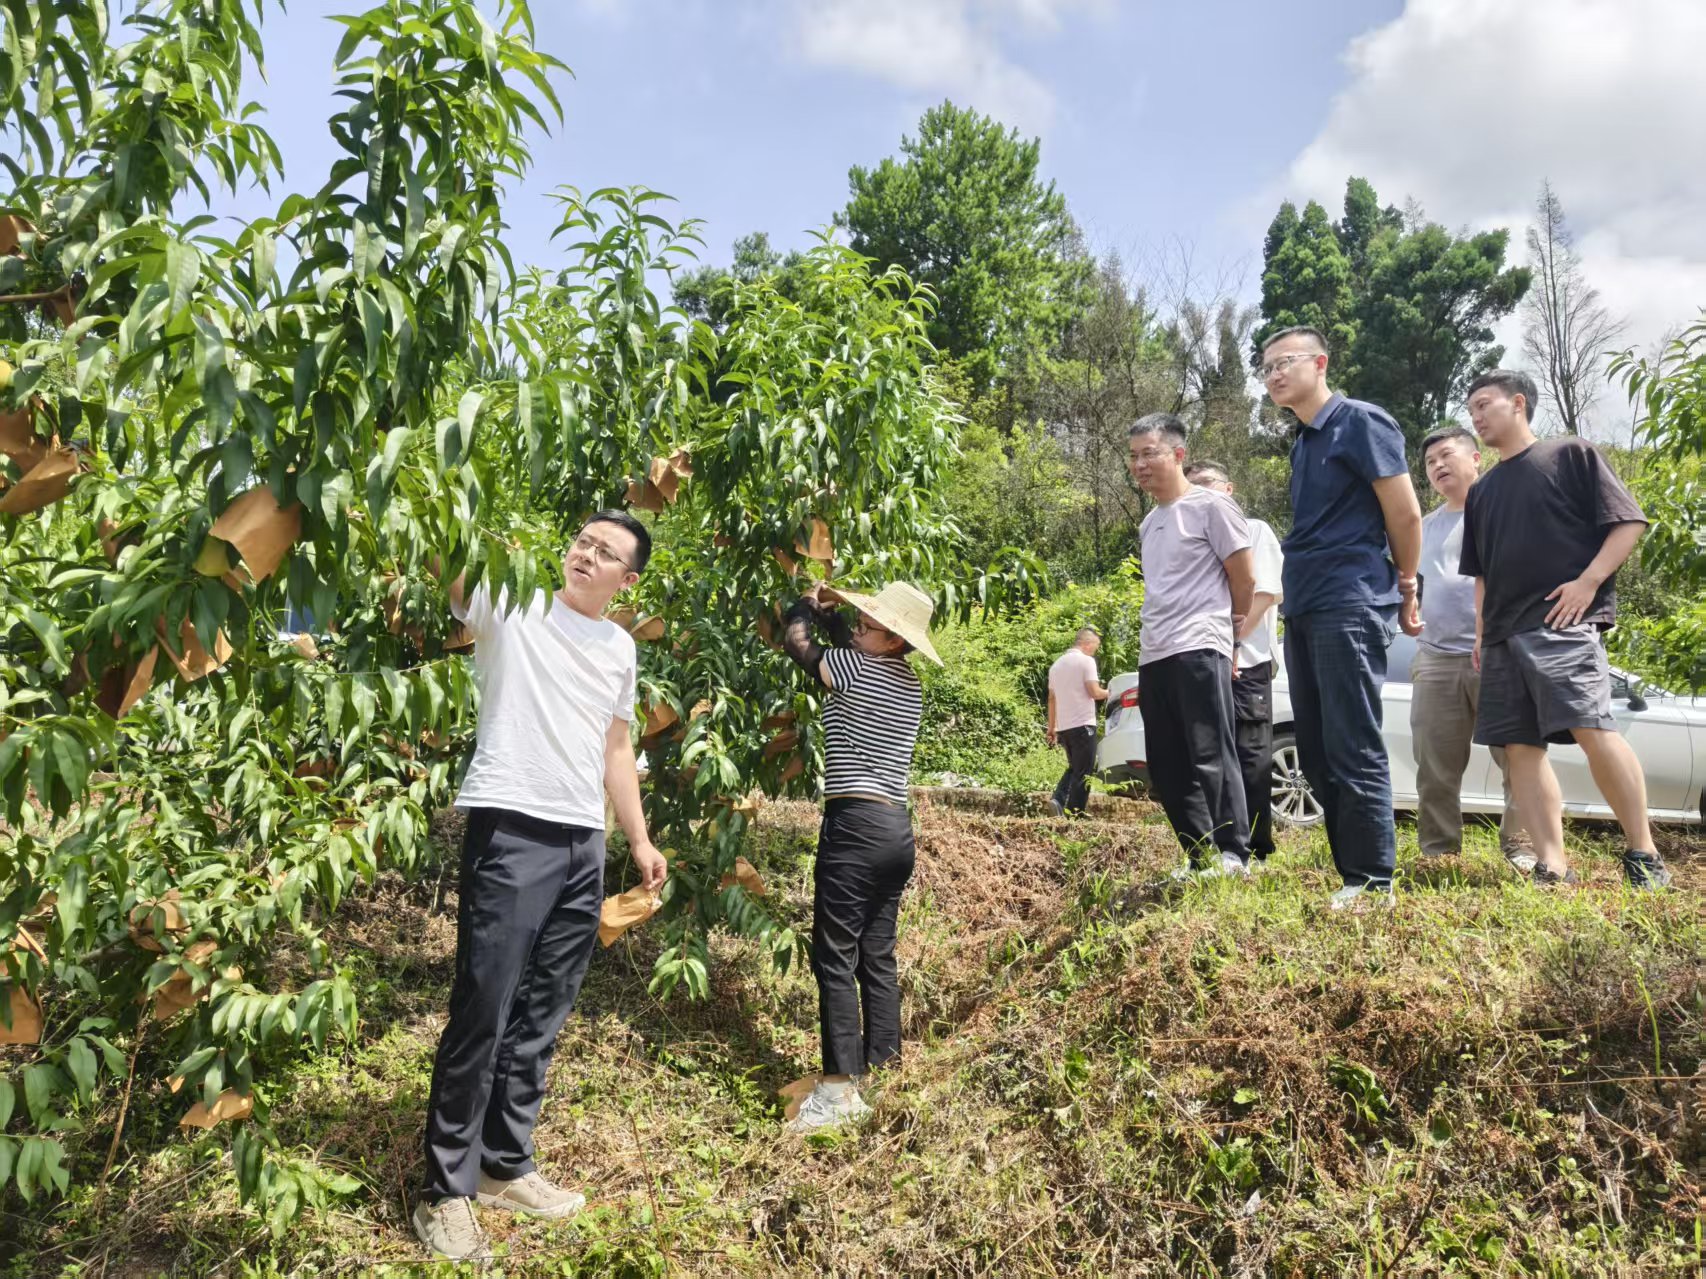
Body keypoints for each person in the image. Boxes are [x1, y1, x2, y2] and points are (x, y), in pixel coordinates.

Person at [414, 512, 669, 1262]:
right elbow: (448, 563)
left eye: (607, 552)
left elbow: (615, 744)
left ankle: (503, 1161)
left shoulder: (619, 645)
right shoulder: (515, 599)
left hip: (581, 841)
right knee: (483, 1007)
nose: (587, 554)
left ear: (629, 580)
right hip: (512, 827)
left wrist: (640, 837)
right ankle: (445, 1194)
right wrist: (436, 494)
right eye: (583, 542)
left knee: (543, 1013)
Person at [1460, 370, 1672, 890]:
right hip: (1503, 636)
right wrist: (1482, 633)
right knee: (1519, 748)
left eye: (1484, 405)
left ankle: (1643, 853)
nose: (1477, 417)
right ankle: (1552, 865)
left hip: (1562, 621)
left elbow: (1628, 522)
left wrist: (1588, 583)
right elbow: (1482, 571)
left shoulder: (1570, 454)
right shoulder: (1482, 491)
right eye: (1471, 412)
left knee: (1592, 727)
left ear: (1518, 403)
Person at [1260, 326, 1423, 910]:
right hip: (1304, 602)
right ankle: (1351, 874)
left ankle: (1373, 879)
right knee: (1318, 747)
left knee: (1353, 740)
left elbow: (1404, 513)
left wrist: (1407, 584)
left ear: (1320, 362)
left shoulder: (1361, 421)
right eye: (1267, 367)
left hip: (1351, 599)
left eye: (1286, 362)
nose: (1275, 373)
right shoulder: (1303, 441)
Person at [781, 580, 940, 1131]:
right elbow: (846, 646)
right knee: (877, 954)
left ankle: (838, 1089)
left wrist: (805, 604)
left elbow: (799, 643)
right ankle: (883, 1068)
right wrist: (841, 615)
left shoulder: (852, 668)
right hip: (896, 829)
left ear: (893, 640)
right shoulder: (908, 683)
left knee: (834, 956)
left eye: (867, 625)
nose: (856, 628)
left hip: (854, 828)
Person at [1129, 415, 1256, 876]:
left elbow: (1244, 578)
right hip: (1155, 650)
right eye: (1134, 455)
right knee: (1165, 762)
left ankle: (1233, 852)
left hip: (1201, 642)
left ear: (1178, 454)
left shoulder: (1211, 507)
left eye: (1150, 453)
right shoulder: (1149, 523)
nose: (1140, 464)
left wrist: (1230, 636)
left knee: (1210, 750)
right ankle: (1199, 853)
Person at [1413, 428, 1532, 870]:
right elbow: (1414, 586)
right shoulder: (1424, 526)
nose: (1438, 466)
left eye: (1446, 456)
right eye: (1429, 463)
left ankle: (1522, 845)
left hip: (1501, 653)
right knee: (1435, 763)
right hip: (1437, 657)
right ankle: (1439, 851)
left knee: (1519, 757)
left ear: (1476, 458)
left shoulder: (1505, 511)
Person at [1184, 460, 1283, 863]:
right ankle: (1219, 846)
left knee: (1249, 755)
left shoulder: (1253, 529)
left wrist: (1233, 644)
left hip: (1246, 662)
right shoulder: (1193, 540)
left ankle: (1255, 849)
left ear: (1229, 488)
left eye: (1208, 484)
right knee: (1207, 755)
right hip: (1205, 660)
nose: (1201, 492)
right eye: (1193, 487)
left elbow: (1262, 593)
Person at [1046, 627, 1108, 817]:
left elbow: (1051, 699)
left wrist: (1052, 728)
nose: (1094, 651)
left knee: (1076, 768)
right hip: (1083, 725)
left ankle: (1058, 800)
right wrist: (1113, 692)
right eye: (1095, 647)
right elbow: (1095, 692)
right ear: (1086, 644)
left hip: (1065, 728)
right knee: (1085, 770)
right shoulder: (1086, 661)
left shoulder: (1056, 666)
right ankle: (1075, 812)